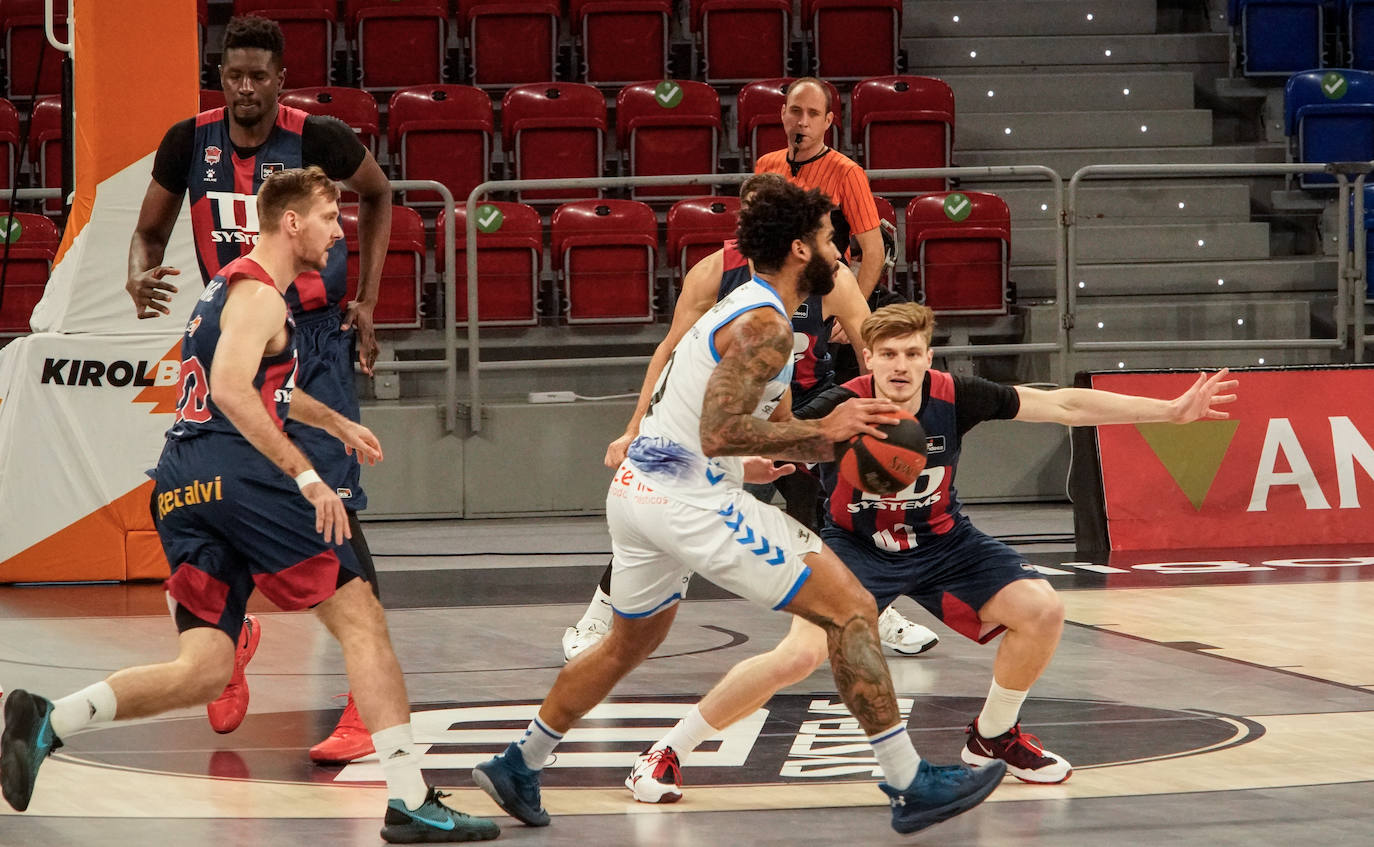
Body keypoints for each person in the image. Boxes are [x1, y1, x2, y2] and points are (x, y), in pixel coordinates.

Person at [472, 181, 1006, 836]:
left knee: (625, 643)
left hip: (643, 489)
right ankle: (906, 779)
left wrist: (782, 451)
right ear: (798, 247)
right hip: (687, 499)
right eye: (829, 240)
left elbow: (718, 428)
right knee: (852, 608)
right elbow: (721, 430)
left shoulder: (755, 312)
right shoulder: (764, 325)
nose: (839, 254)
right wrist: (829, 434)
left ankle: (519, 762)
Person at [1, 168, 497, 843]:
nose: (338, 229)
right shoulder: (262, 296)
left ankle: (49, 719)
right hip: (237, 473)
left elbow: (264, 389)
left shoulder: (227, 290)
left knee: (204, 669)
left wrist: (335, 424)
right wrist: (307, 477)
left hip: (181, 483)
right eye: (328, 216)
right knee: (363, 620)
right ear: (290, 222)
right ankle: (410, 797)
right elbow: (235, 392)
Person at [619, 302, 1240, 803]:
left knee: (1042, 610)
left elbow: (1066, 404)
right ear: (868, 358)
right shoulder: (841, 406)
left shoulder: (955, 394)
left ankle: (992, 737)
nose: (900, 365)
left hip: (945, 541)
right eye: (887, 354)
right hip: (854, 547)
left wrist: (1171, 412)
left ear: (928, 356)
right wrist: (742, 464)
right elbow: (774, 445)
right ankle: (670, 748)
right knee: (799, 655)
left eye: (911, 353)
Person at [125, 14, 388, 765]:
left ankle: (361, 705)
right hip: (236, 325)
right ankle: (227, 640)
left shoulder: (320, 140)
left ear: (280, 80)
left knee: (339, 511)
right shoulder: (188, 141)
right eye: (232, 75)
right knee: (226, 486)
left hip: (313, 337)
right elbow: (149, 231)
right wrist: (139, 268)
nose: (245, 88)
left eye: (258, 76)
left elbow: (379, 195)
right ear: (222, 78)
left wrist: (365, 298)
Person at [562, 173, 938, 662]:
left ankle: (869, 610)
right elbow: (673, 354)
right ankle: (600, 616)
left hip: (797, 402)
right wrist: (635, 427)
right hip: (720, 428)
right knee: (671, 526)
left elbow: (872, 348)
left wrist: (889, 405)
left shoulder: (830, 277)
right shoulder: (722, 277)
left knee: (833, 512)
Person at [756, 77, 884, 300]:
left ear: (828, 120)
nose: (802, 122)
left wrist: (855, 309)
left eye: (813, 114)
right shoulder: (765, 164)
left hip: (826, 290)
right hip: (774, 287)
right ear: (783, 113)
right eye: (796, 111)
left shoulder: (848, 173)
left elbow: (874, 252)